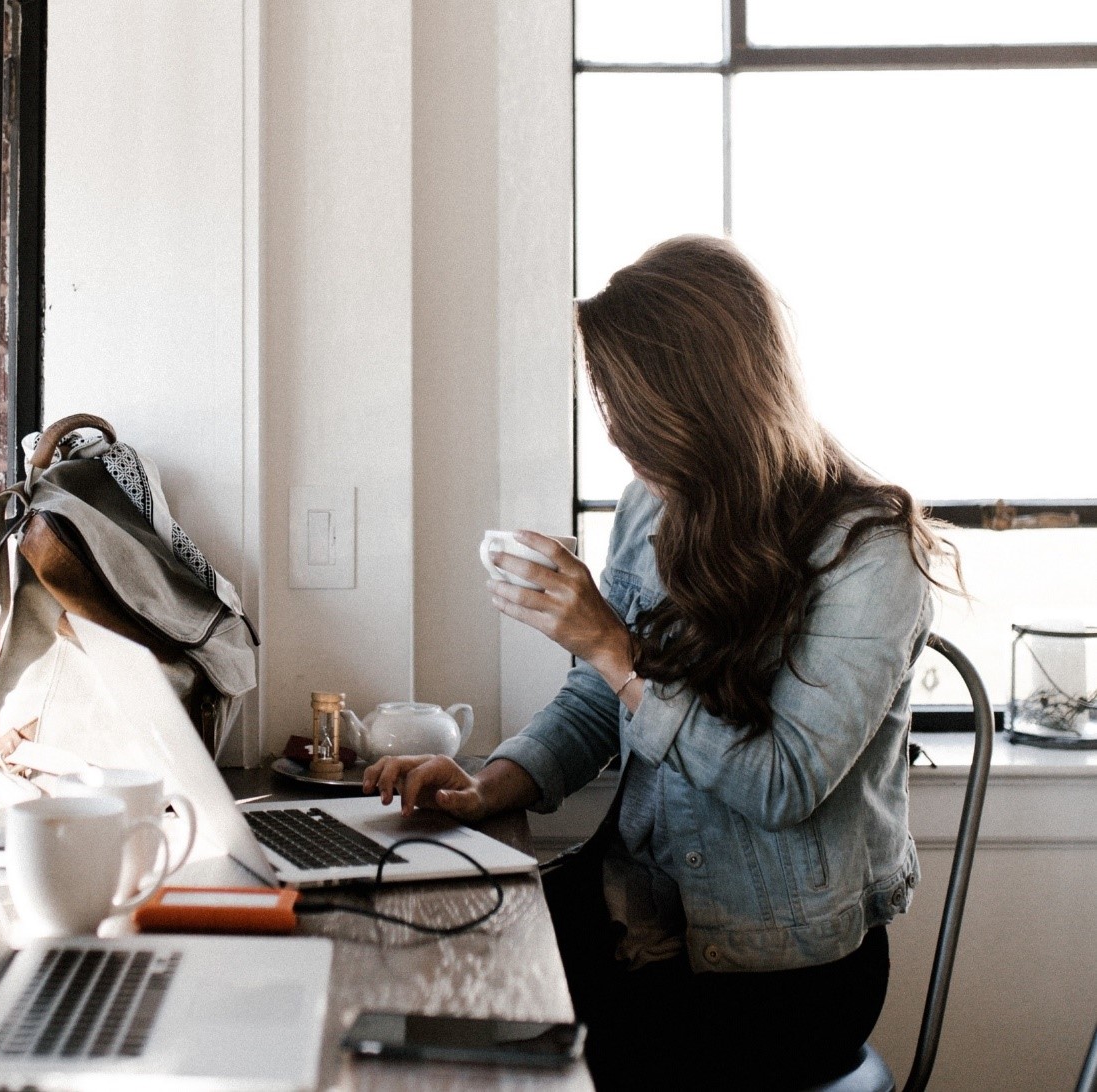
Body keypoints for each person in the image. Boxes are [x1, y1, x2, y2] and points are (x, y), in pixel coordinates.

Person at [363, 235, 960, 1090]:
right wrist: (491, 782)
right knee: (424, 958)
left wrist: (613, 644)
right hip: (635, 910)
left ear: (711, 403)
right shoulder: (656, 504)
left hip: (779, 974)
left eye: (632, 414)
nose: (619, 439)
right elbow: (596, 701)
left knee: (493, 1039)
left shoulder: (868, 553)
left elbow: (781, 783)